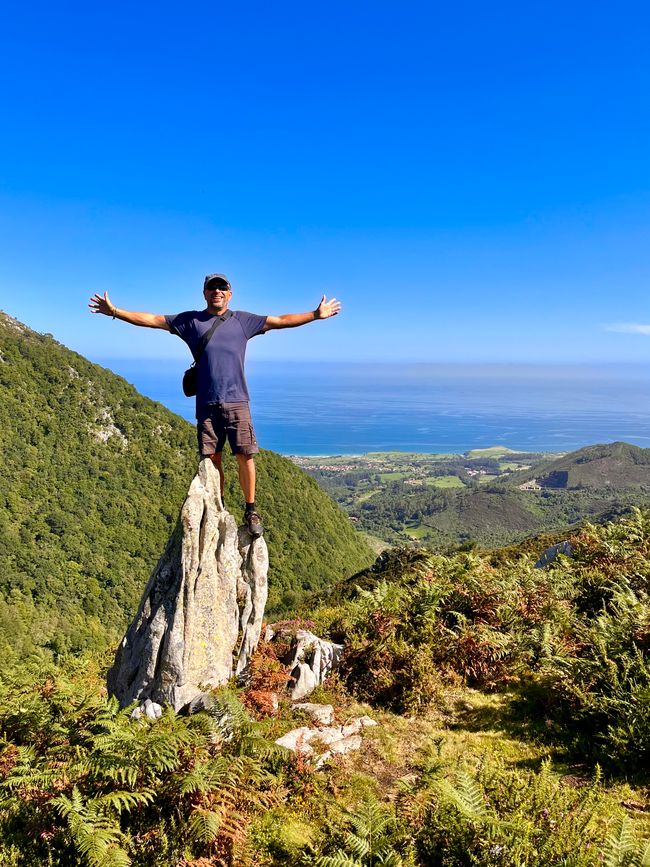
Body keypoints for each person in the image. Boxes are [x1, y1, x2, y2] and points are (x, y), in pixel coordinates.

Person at [89, 273, 341, 536]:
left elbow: (280, 321)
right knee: (211, 458)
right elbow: (152, 320)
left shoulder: (243, 321)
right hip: (207, 403)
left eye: (222, 287)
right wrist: (115, 311)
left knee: (245, 455)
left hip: (237, 401)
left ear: (230, 294)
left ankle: (250, 509)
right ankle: (218, 508)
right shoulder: (190, 321)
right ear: (204, 293)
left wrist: (315, 314)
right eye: (212, 287)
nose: (217, 291)